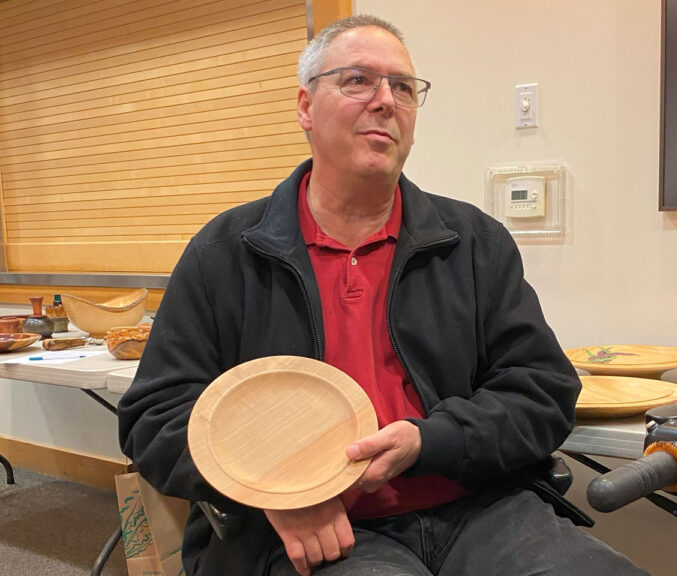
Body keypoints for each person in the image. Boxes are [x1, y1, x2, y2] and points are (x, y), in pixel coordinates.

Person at [118, 14, 649, 576]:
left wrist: (429, 441)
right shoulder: (226, 252)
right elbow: (155, 417)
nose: (385, 101)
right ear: (305, 107)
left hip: (478, 506)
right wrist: (276, 488)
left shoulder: (472, 242)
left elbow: (542, 392)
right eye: (357, 81)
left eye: (403, 87)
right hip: (320, 524)